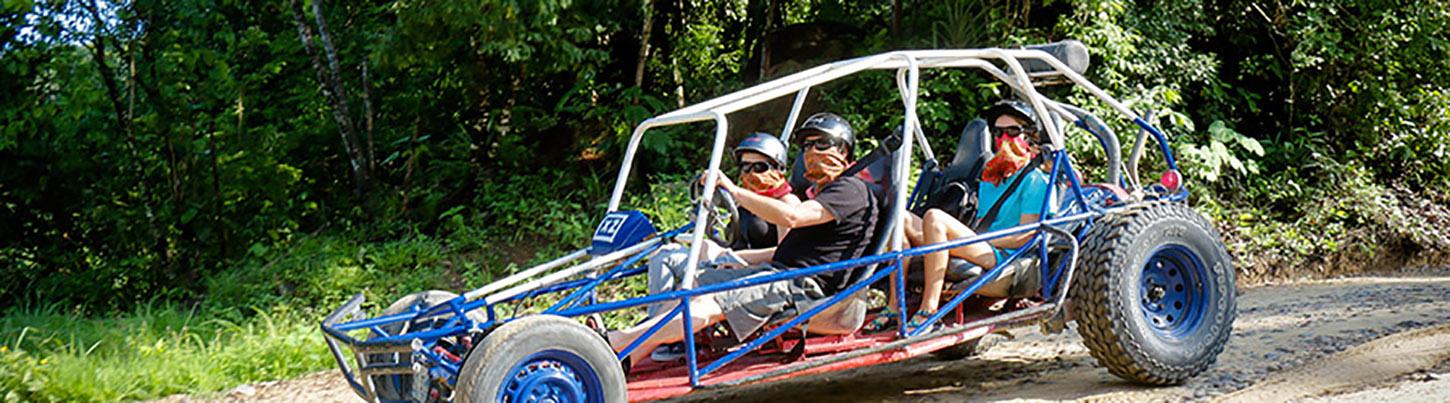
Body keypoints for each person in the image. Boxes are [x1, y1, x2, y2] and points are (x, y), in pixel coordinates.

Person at [607, 113, 882, 366]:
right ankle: (627, 358)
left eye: (821, 144)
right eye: (806, 146)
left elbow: (793, 216)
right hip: (780, 274)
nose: (811, 151)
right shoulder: (821, 193)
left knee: (708, 303)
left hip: (804, 288)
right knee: (689, 289)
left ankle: (613, 342)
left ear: (843, 150)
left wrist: (734, 190)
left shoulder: (850, 189)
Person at [873, 101, 1057, 330]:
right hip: (980, 243)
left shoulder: (1035, 181)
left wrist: (981, 240)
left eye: (1013, 131)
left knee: (935, 218)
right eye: (998, 132)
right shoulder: (991, 178)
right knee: (901, 218)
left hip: (1003, 255)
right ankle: (894, 306)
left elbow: (1027, 236)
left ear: (1029, 137)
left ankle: (929, 310)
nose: (1004, 139)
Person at [645, 132, 800, 318]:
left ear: (778, 169)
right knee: (664, 254)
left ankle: (658, 327)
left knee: (690, 284)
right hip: (727, 265)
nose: (751, 174)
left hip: (757, 275)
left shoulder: (787, 203)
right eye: (745, 167)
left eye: (759, 167)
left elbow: (786, 254)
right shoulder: (744, 202)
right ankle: (654, 320)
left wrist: (733, 257)